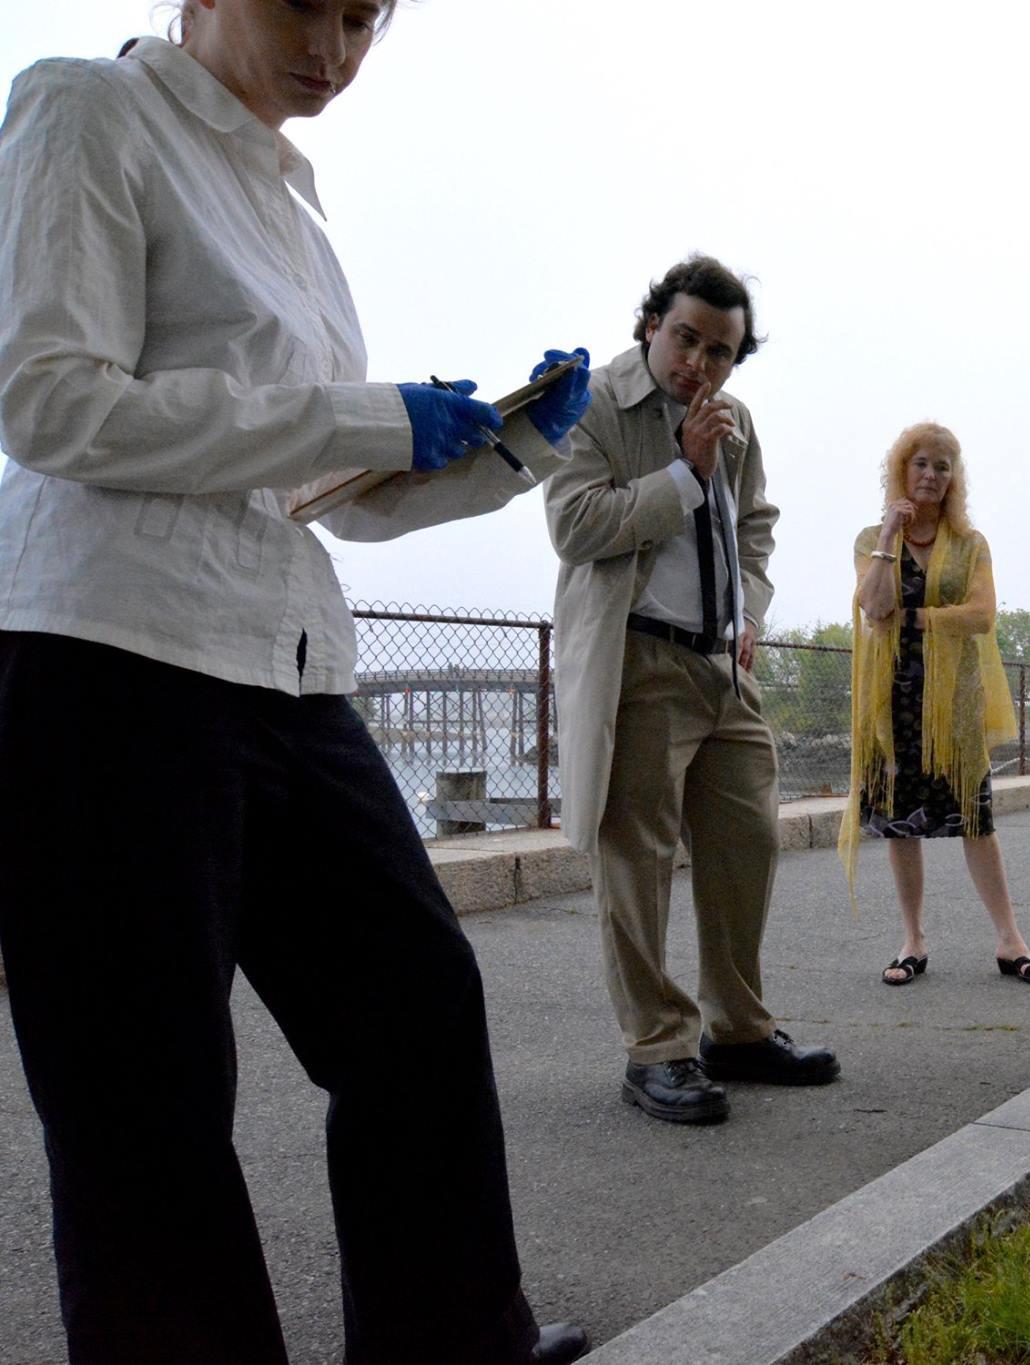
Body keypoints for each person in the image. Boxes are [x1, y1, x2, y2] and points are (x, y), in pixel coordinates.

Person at [0, 5, 592, 1362]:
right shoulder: (87, 109)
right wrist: (369, 411)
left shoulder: (294, 212)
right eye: (303, 2)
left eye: (363, 16)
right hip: (107, 653)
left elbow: (327, 494)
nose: (334, 41)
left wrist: (498, 449)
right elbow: (50, 402)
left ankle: (453, 1339)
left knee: (417, 1009)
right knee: (143, 1098)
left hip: (285, 660)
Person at [548, 255, 837, 1128]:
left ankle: (738, 1031)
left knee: (747, 843)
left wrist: (751, 609)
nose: (699, 363)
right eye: (686, 338)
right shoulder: (597, 402)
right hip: (640, 661)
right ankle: (658, 1049)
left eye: (721, 350)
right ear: (651, 325)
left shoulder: (735, 418)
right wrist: (681, 470)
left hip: (724, 665)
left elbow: (754, 525)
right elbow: (575, 524)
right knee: (635, 863)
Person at [839, 424, 1030, 989]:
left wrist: (915, 619)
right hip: (892, 701)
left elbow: (982, 616)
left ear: (955, 479)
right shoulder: (871, 539)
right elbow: (873, 603)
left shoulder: (970, 542)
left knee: (976, 819)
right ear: (902, 471)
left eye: (944, 466)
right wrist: (890, 530)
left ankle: (1011, 940)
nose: (932, 475)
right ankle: (913, 940)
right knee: (901, 825)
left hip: (954, 701)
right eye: (922, 464)